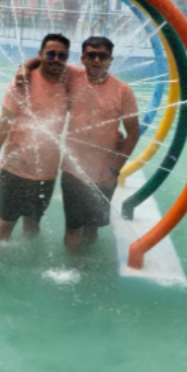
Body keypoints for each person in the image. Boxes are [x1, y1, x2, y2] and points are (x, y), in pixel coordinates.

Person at [0, 34, 71, 242]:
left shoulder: (70, 82)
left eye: (61, 55)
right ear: (40, 54)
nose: (56, 59)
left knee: (33, 223)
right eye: (50, 54)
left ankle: (29, 257)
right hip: (16, 168)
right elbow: (4, 122)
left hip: (46, 173)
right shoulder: (22, 84)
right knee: (5, 223)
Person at [59, 37, 140, 249]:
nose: (96, 60)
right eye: (91, 56)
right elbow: (43, 61)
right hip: (73, 169)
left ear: (110, 59)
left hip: (104, 172)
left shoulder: (122, 90)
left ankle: (86, 264)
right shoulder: (72, 78)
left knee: (92, 227)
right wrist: (23, 69)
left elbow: (133, 134)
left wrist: (115, 170)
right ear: (83, 58)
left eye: (102, 56)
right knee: (73, 227)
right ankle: (74, 266)